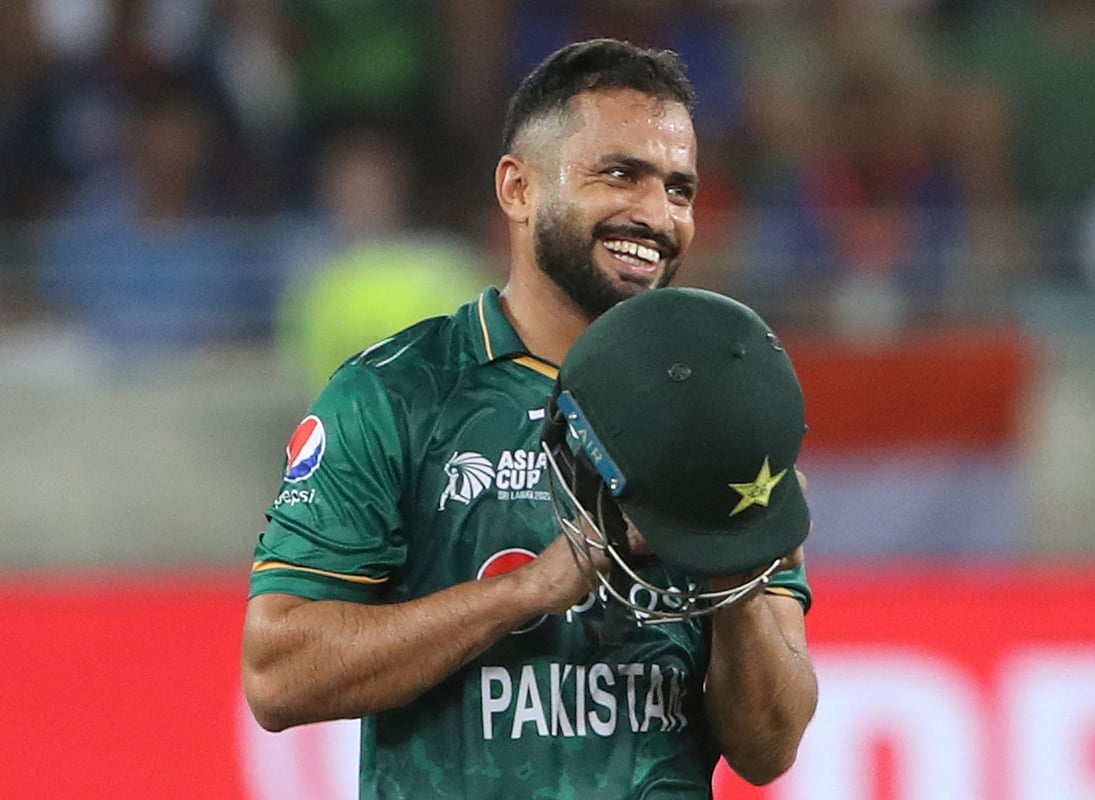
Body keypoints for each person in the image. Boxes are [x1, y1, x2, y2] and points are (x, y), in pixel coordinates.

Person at [241, 39, 818, 798]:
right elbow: (278, 674)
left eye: (679, 190)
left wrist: (730, 563)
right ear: (517, 188)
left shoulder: (729, 414)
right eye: (621, 175)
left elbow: (769, 748)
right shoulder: (396, 398)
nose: (656, 215)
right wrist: (526, 592)